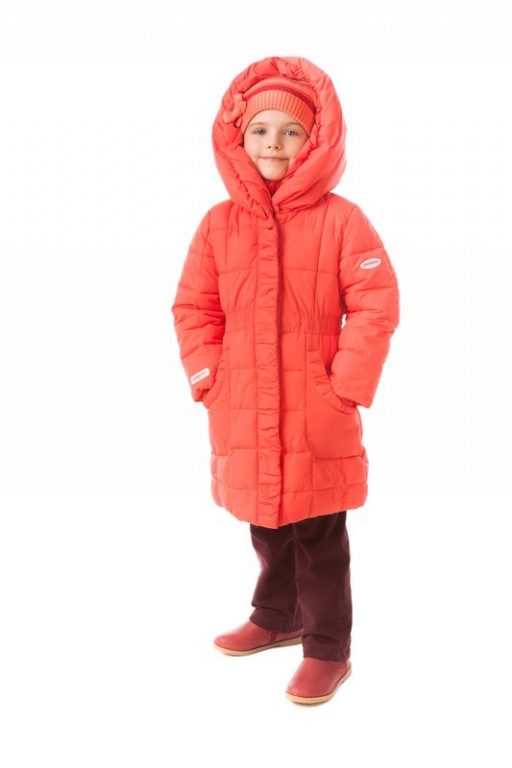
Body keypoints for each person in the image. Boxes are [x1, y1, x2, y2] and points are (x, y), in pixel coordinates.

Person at [171, 56, 400, 705]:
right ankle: (276, 615)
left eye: (291, 131)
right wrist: (209, 377)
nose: (275, 142)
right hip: (243, 406)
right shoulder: (218, 224)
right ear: (237, 140)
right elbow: (195, 306)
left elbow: (376, 301)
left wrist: (344, 384)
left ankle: (327, 647)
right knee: (265, 520)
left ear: (316, 141)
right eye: (261, 130)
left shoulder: (341, 219)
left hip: (315, 408)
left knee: (319, 535)